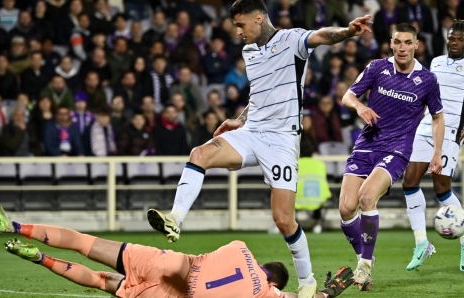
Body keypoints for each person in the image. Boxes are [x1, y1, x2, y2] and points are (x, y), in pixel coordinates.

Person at [145, 0, 372, 297]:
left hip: (281, 141)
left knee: (283, 219)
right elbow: (259, 94)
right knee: (199, 154)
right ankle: (175, 220)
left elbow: (322, 35)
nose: (238, 31)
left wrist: (347, 31)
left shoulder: (291, 40)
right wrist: (238, 120)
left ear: (258, 18)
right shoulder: (249, 51)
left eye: (241, 25)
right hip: (251, 132)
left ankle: (307, 282)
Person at [0, 201, 354, 298]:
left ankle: (18, 226)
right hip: (171, 294)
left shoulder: (241, 247)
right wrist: (332, 290)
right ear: (272, 284)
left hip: (170, 262)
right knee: (101, 283)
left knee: (86, 243)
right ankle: (42, 259)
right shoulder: (267, 295)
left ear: (261, 263)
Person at [338, 23, 445, 291]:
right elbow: (347, 96)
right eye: (398, 42)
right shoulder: (377, 68)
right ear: (391, 43)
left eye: (408, 42)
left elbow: (438, 117)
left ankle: (364, 267)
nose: (402, 48)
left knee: (366, 197)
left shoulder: (427, 80)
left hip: (396, 149)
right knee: (345, 208)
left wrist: (437, 151)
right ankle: (365, 254)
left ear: (416, 45)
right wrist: (361, 106)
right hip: (366, 145)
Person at [402, 20, 464, 272]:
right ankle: (422, 244)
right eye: (451, 38)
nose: (453, 43)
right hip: (425, 127)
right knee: (409, 182)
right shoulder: (435, 62)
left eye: (459, 39)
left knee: (441, 189)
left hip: (452, 130)